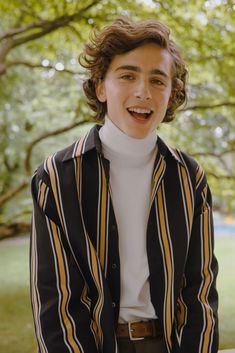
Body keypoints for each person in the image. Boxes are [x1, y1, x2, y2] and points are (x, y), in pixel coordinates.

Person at [30, 17, 219, 353]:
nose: (143, 91)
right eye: (128, 75)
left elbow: (200, 291)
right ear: (101, 86)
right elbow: (57, 302)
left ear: (171, 94)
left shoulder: (190, 177)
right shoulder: (57, 178)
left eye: (157, 80)